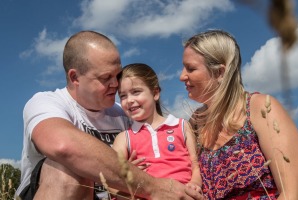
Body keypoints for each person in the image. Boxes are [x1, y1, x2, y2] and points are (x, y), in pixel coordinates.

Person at [15, 30, 203, 200]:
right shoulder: (46, 103)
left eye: (117, 76)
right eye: (106, 78)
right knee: (67, 169)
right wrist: (152, 186)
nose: (116, 84)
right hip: (56, 191)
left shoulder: (124, 114)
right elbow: (63, 146)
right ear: (75, 78)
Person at [179, 29, 298, 199]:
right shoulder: (194, 124)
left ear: (220, 72)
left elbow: (292, 193)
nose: (182, 76)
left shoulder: (261, 108)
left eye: (190, 69)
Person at [112, 63, 202, 196]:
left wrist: (195, 183)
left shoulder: (181, 126)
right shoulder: (124, 138)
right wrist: (127, 175)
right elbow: (112, 180)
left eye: (136, 92)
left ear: (155, 93)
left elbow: (195, 164)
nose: (129, 100)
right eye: (123, 96)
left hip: (183, 194)